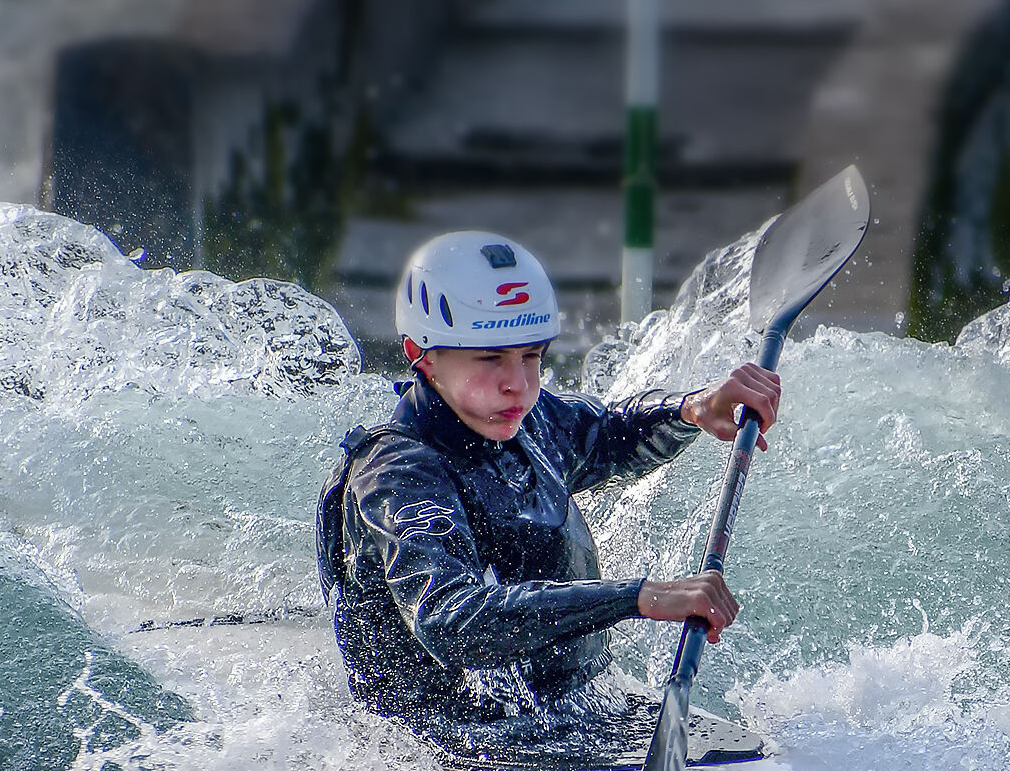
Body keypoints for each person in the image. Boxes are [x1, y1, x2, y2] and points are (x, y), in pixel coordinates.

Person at [317, 231, 780, 738]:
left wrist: (694, 408)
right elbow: (450, 620)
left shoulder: (522, 419)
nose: (518, 384)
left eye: (532, 356)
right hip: (455, 740)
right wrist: (637, 597)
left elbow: (610, 435)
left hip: (566, 712)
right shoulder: (397, 475)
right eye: (491, 358)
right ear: (420, 354)